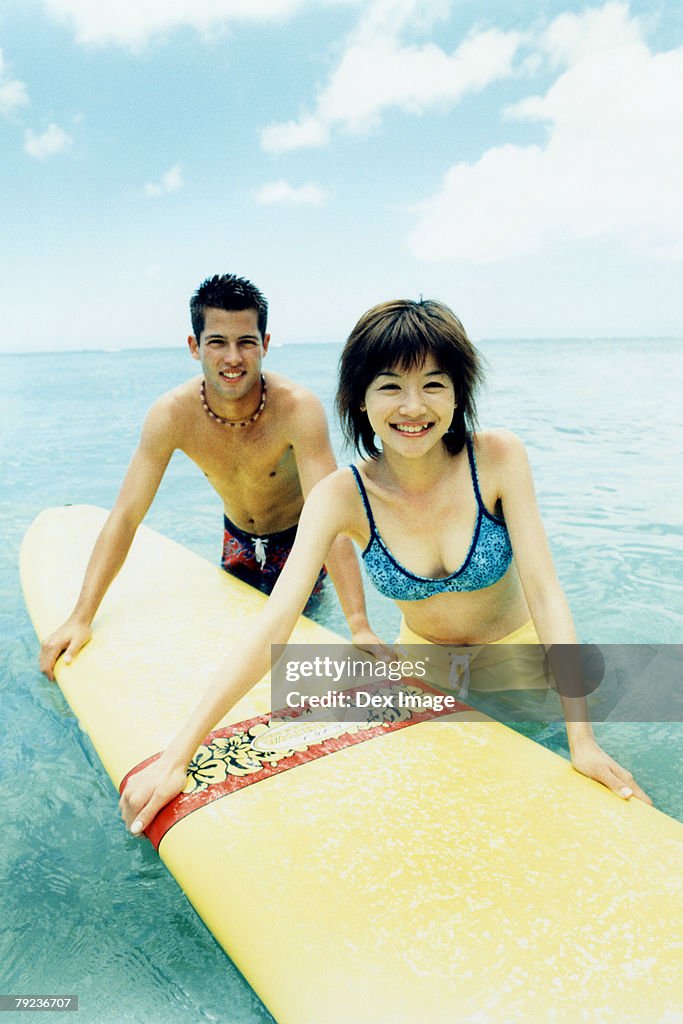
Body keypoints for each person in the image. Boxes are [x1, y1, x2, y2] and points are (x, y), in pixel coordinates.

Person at [120, 297, 650, 834]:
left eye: (434, 384)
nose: (413, 407)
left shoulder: (497, 459)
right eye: (391, 385)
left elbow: (546, 593)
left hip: (525, 672)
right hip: (426, 684)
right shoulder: (341, 496)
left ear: (458, 392)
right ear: (362, 400)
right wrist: (178, 754)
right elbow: (273, 624)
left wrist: (582, 740)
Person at [39, 274, 381, 681]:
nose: (232, 357)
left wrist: (359, 624)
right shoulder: (171, 415)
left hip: (299, 550)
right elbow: (126, 515)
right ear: (194, 346)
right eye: (217, 342)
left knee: (293, 657)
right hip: (235, 542)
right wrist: (81, 616)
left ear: (265, 345)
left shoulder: (297, 410)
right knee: (236, 650)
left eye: (246, 342)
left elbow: (331, 518)